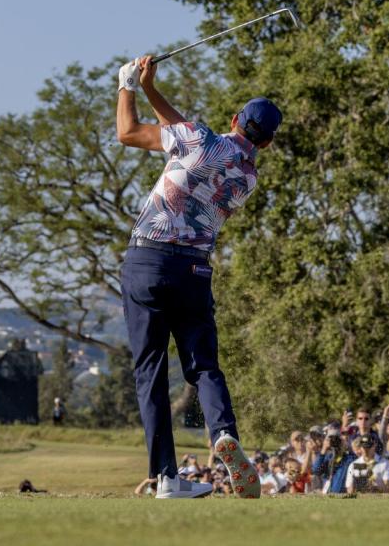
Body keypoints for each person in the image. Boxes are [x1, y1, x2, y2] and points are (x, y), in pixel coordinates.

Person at [116, 55, 282, 499]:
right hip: (193, 269)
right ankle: (223, 432)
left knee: (150, 370)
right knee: (203, 365)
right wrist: (151, 89)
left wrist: (128, 85)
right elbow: (186, 131)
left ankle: (167, 478)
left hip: (146, 262)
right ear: (265, 144)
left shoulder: (197, 139)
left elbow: (128, 133)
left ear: (235, 118)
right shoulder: (247, 177)